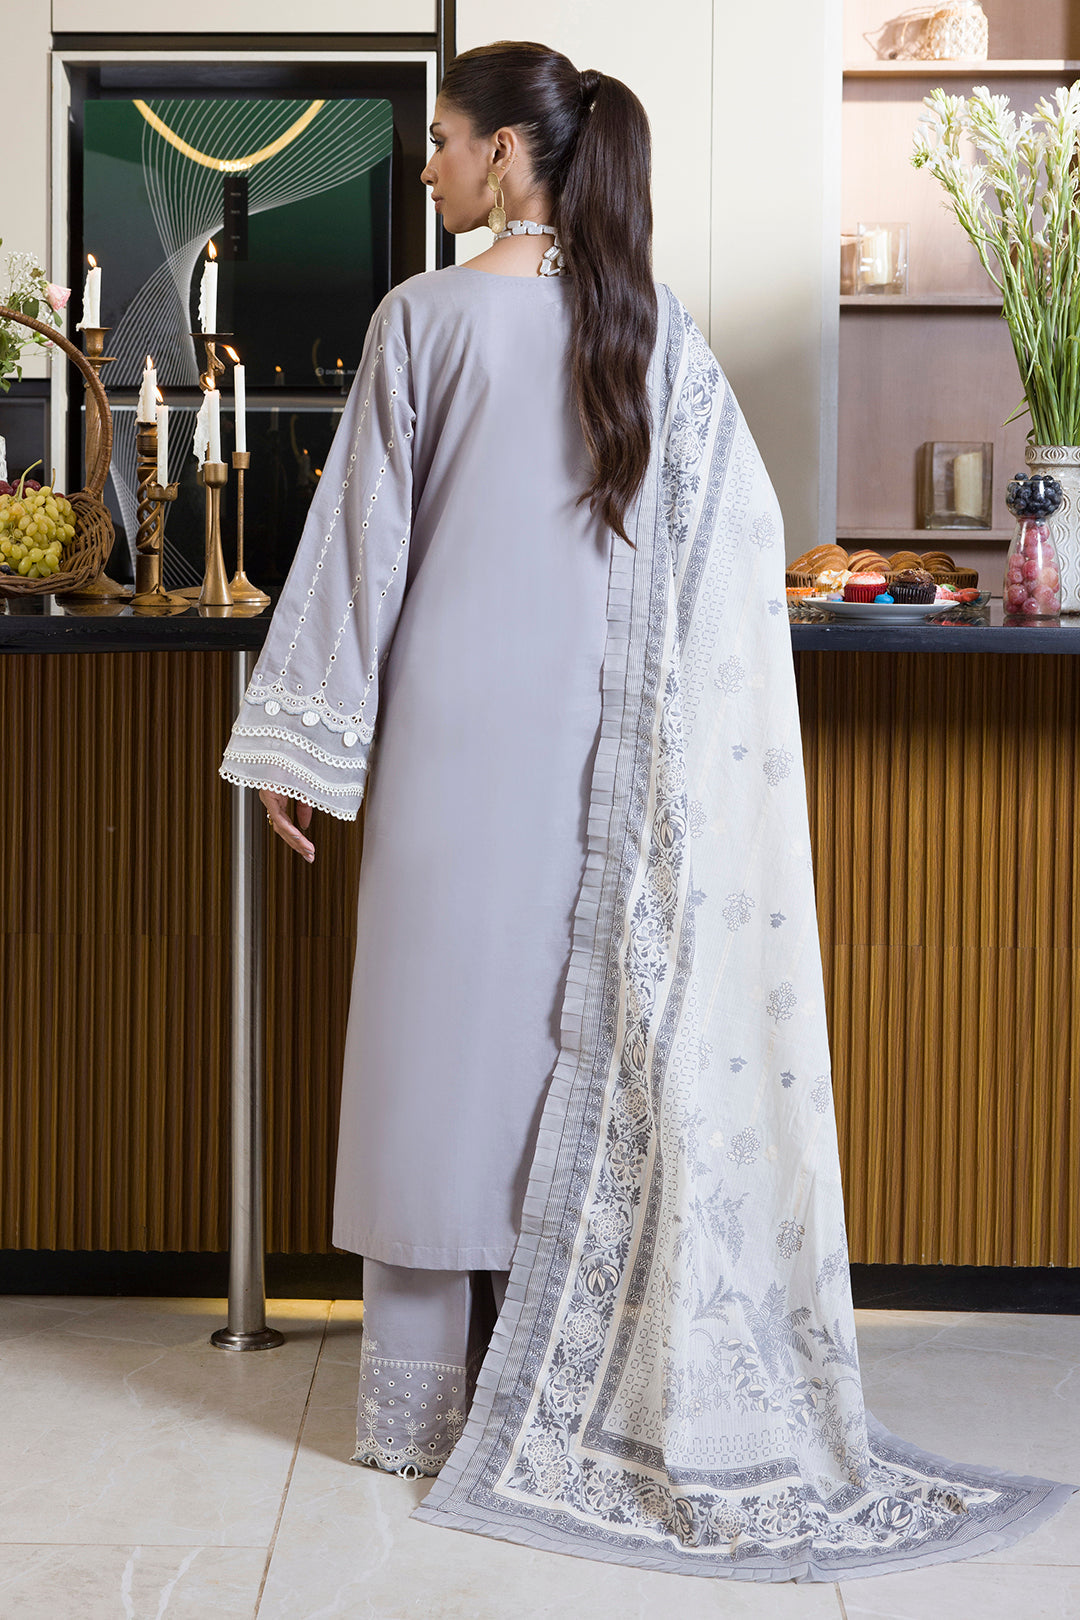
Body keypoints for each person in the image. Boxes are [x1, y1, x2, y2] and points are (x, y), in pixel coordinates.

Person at [220, 39, 1075, 1583]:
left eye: (442, 140)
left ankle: (422, 1409)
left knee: (429, 1055)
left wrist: (305, 748)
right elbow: (745, 546)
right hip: (605, 761)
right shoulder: (654, 329)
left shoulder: (422, 317)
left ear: (505, 156)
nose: (428, 164)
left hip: (444, 749)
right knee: (560, 1049)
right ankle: (550, 1376)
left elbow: (359, 551)